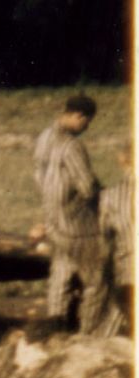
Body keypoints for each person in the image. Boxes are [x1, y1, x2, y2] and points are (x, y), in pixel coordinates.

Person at [32, 94, 113, 335]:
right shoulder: (72, 146)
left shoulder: (45, 136)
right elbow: (87, 187)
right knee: (97, 278)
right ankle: (90, 330)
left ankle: (56, 320)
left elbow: (38, 174)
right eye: (87, 122)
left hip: (54, 218)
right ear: (79, 116)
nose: (86, 128)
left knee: (61, 270)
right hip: (78, 225)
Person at [100, 143, 134, 336]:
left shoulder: (110, 197)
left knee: (116, 315)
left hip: (126, 268)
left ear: (122, 163)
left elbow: (104, 237)